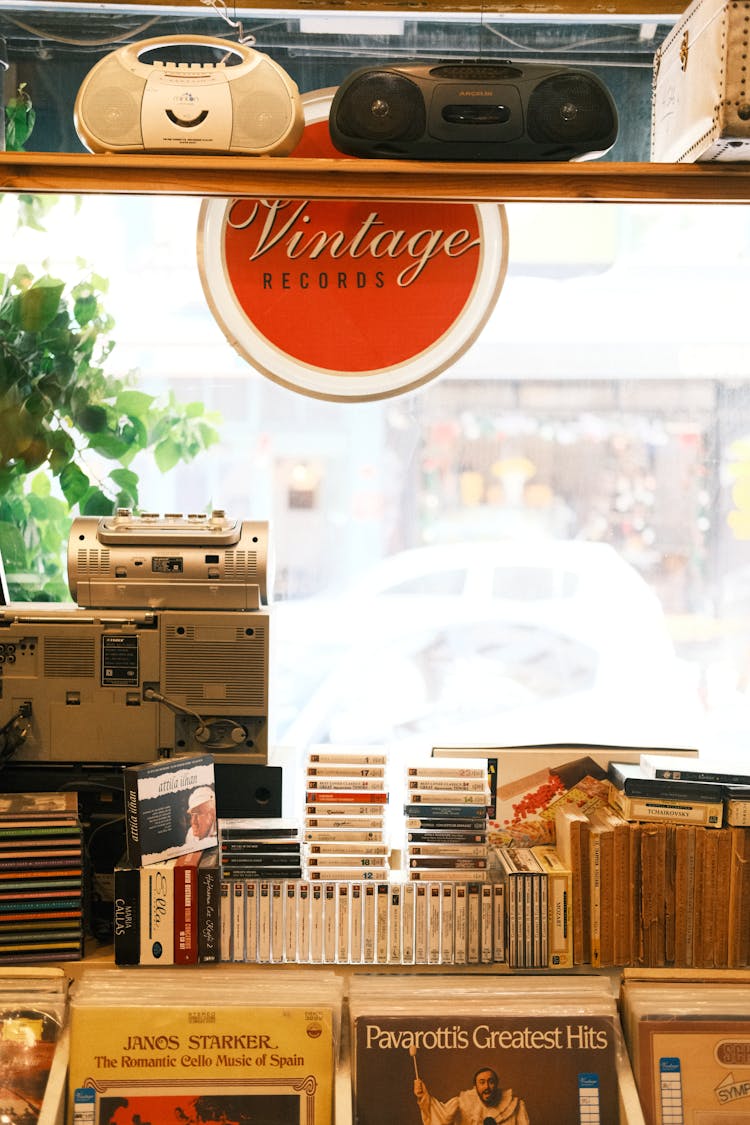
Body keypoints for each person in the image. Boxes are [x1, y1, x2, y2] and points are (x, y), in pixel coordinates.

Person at [414, 1066, 530, 1125]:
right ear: (475, 1086)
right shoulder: (462, 1103)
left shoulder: (515, 1106)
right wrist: (423, 1096)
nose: (486, 1087)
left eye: (491, 1082)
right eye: (482, 1082)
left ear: (496, 1084)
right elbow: (441, 1116)